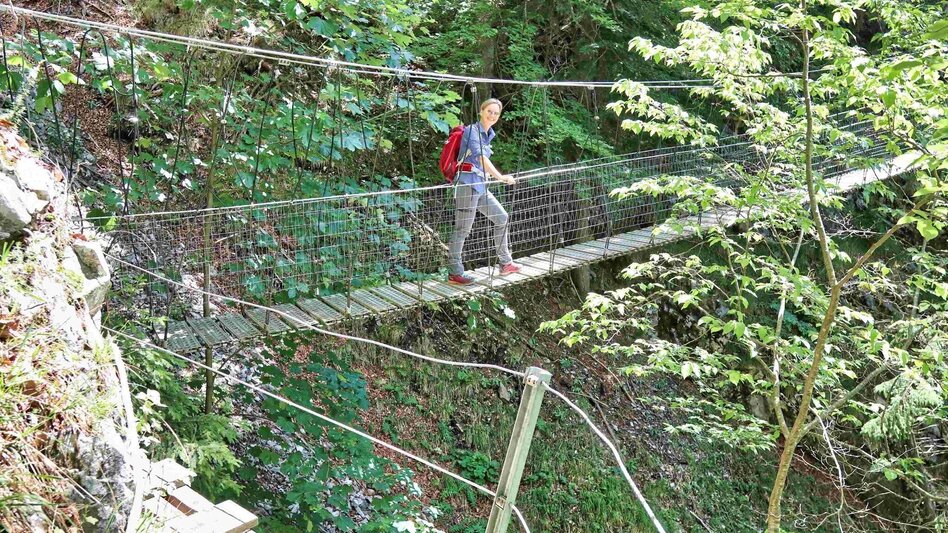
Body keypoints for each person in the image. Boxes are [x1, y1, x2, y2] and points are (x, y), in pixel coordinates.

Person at [447, 98, 522, 285]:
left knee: (502, 218)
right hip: (467, 185)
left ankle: (505, 263)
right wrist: (501, 177)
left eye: (496, 113)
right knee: (462, 229)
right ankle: (455, 272)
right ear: (481, 111)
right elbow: (481, 159)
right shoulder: (472, 131)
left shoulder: (489, 134)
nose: (492, 115)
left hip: (480, 186)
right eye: (489, 111)